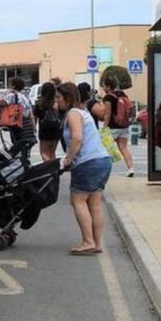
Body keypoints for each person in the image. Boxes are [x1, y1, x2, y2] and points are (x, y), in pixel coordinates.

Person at [57, 82, 112, 256]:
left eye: (58, 97)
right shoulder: (84, 112)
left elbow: (77, 138)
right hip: (102, 160)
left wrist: (69, 159)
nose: (56, 101)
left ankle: (88, 241)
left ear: (67, 98)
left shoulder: (73, 114)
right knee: (94, 203)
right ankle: (96, 242)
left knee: (77, 200)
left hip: (87, 162)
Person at [101, 77, 135, 177]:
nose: (103, 88)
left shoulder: (108, 97)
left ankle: (105, 172)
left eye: (103, 85)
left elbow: (108, 114)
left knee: (105, 149)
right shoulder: (122, 95)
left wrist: (104, 128)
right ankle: (131, 168)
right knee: (124, 148)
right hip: (123, 126)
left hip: (112, 127)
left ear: (108, 86)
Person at [0, 77, 34, 154]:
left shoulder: (11, 96)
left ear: (13, 86)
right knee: (24, 145)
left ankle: (19, 162)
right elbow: (31, 114)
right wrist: (33, 127)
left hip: (16, 123)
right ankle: (25, 162)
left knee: (17, 145)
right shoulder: (25, 97)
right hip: (26, 124)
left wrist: (6, 92)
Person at [33, 82, 60, 161]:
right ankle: (54, 170)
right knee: (52, 152)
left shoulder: (39, 104)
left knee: (44, 152)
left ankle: (49, 169)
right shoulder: (57, 102)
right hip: (56, 128)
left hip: (44, 130)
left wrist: (34, 129)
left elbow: (35, 118)